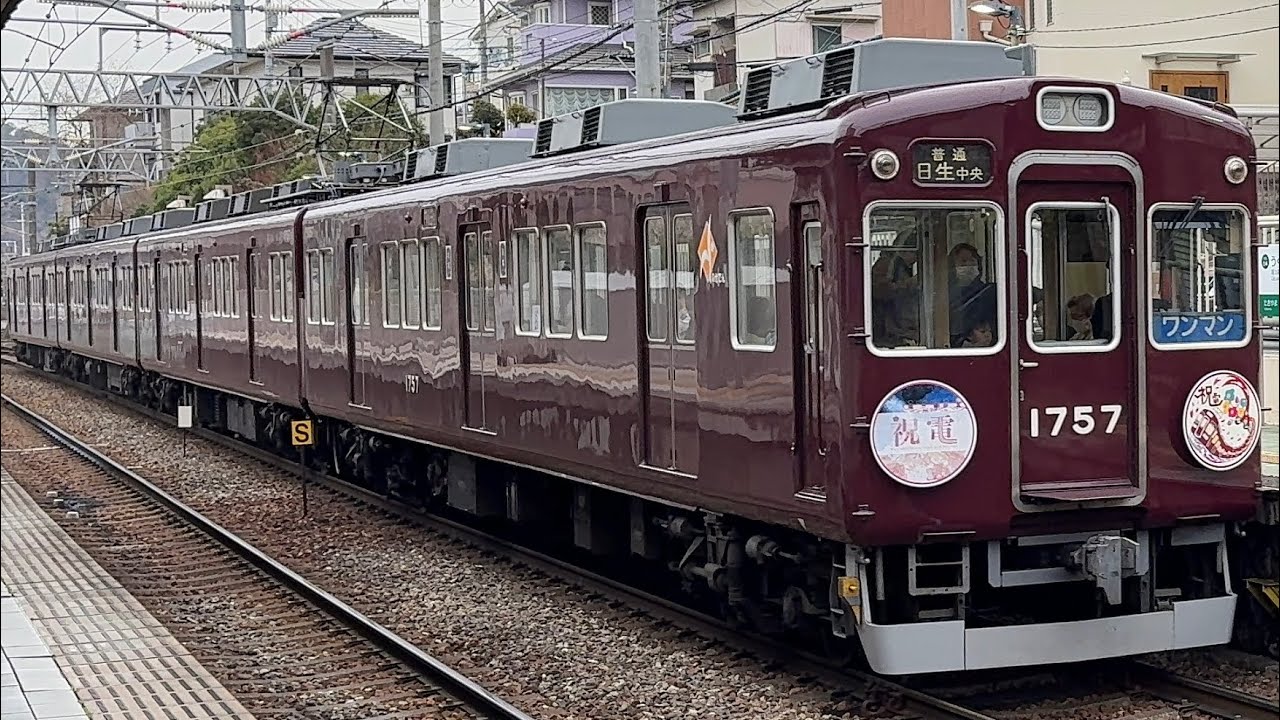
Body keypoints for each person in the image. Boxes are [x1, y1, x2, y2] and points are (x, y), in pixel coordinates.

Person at [948, 243, 996, 347]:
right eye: (963, 262)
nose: (968, 266)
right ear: (952, 267)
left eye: (973, 261)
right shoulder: (944, 295)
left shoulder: (989, 291)